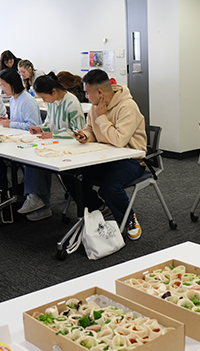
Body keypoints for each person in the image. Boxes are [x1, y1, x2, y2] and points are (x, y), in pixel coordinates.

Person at [61, 69, 146, 240]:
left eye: (87, 92)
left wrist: (101, 117)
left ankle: (129, 219)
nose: (85, 96)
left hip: (131, 159)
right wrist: (86, 136)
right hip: (104, 156)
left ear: (99, 92)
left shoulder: (127, 106)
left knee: (109, 187)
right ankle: (98, 206)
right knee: (69, 173)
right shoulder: (94, 107)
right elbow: (91, 129)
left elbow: (120, 140)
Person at [18, 74, 86, 221]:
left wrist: (53, 134)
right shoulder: (52, 102)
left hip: (71, 148)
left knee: (39, 157)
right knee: (31, 153)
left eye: (44, 98)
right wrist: (41, 129)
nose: (44, 101)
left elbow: (78, 132)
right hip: (56, 143)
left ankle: (39, 200)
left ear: (54, 91)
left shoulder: (72, 103)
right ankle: (37, 198)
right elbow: (49, 123)